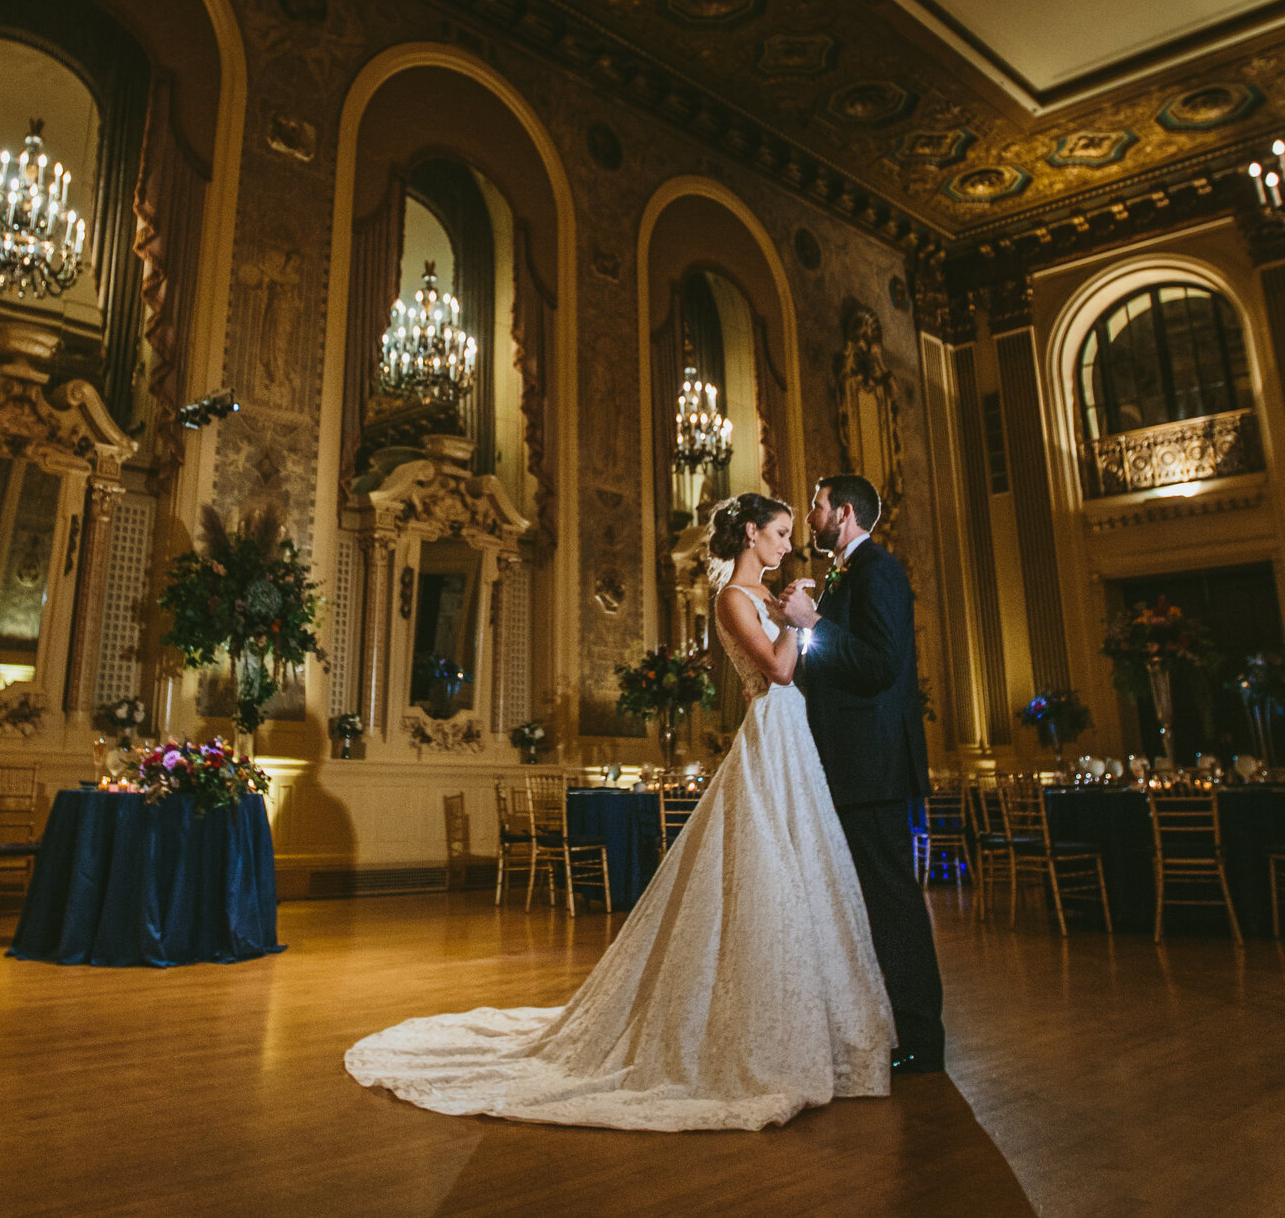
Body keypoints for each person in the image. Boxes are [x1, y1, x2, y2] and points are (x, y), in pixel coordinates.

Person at [343, 493, 893, 1131]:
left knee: (805, 868)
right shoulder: (734, 601)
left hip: (794, 738)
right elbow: (776, 672)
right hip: (771, 729)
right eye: (778, 533)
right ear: (750, 532)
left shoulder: (767, 599)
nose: (786, 544)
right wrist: (800, 623)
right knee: (764, 867)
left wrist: (797, 614)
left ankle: (815, 1029)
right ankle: (751, 1040)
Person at [780, 473, 947, 1074]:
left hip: (871, 766)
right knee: (864, 901)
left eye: (818, 507)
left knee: (892, 900)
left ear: (844, 514)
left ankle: (922, 1038)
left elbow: (880, 665)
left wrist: (812, 622)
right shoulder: (846, 572)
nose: (810, 516)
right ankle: (879, 1021)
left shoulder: (878, 571)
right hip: (848, 763)